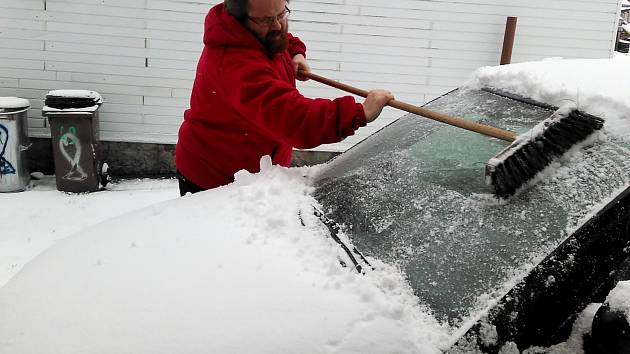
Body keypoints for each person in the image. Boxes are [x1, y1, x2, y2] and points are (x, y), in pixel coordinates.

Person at [175, 0, 394, 196]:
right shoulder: (236, 65)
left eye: (282, 14)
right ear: (239, 20)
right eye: (268, 19)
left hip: (252, 166)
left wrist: (295, 53)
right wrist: (360, 112)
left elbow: (281, 39)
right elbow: (294, 118)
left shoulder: (254, 33)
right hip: (214, 178)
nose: (278, 25)